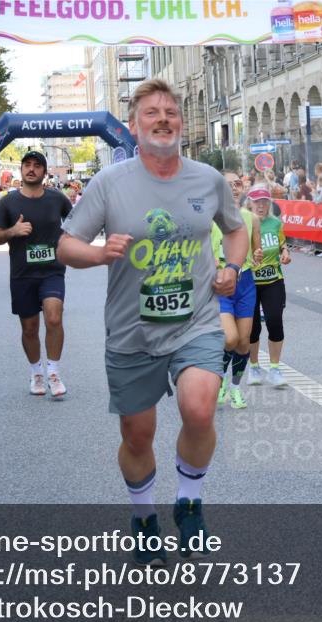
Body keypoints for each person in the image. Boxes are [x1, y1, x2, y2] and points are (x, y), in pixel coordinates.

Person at [57, 79, 248, 566]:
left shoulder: (208, 179)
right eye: (151, 113)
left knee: (200, 409)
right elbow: (65, 246)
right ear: (135, 125)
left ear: (181, 122)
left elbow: (235, 229)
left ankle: (188, 502)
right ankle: (143, 514)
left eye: (170, 112)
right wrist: (100, 254)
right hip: (132, 331)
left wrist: (231, 268)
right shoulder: (109, 183)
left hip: (197, 320)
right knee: (137, 435)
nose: (162, 119)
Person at [0, 151, 72, 398]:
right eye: (27, 165)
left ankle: (54, 372)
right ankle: (36, 372)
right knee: (29, 328)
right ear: (21, 171)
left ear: (45, 172)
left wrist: (69, 242)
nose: (32, 169)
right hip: (22, 273)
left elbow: (77, 224)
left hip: (52, 271)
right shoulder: (8, 202)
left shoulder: (58, 199)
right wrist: (12, 231)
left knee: (54, 318)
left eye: (37, 165)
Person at [214, 171, 262, 410]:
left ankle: (234, 388)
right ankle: (220, 378)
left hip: (246, 282)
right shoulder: (210, 218)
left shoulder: (250, 218)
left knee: (243, 342)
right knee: (230, 338)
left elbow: (257, 250)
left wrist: (258, 255)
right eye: (228, 185)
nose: (234, 188)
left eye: (237, 184)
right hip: (221, 283)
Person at [246, 185, 291, 387]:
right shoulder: (242, 223)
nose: (261, 205)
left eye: (265, 201)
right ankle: (254, 367)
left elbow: (282, 243)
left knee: (274, 321)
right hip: (249, 282)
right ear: (250, 203)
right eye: (257, 201)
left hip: (273, 280)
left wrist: (285, 252)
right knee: (253, 328)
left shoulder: (275, 223)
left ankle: (274, 369)